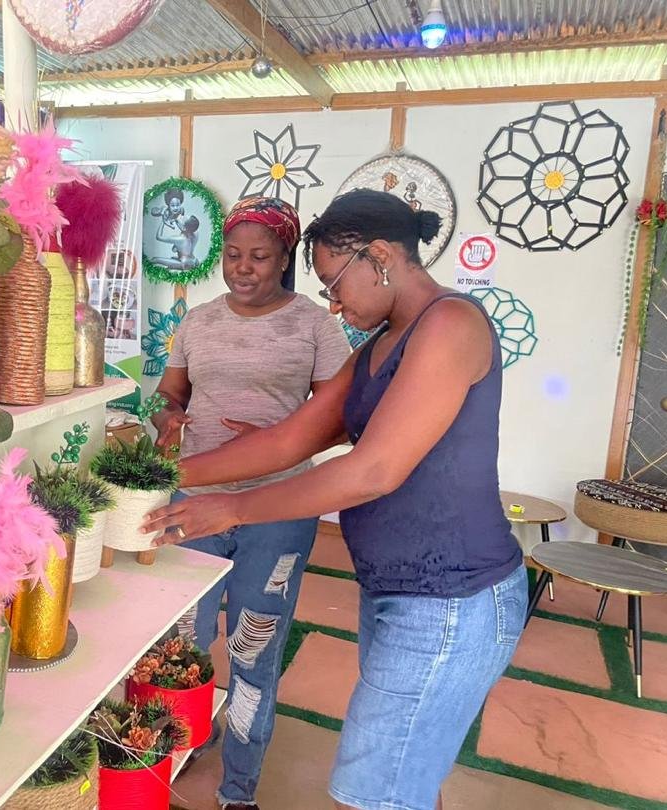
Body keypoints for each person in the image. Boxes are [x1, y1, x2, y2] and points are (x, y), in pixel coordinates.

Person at [143, 188, 527, 810]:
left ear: (378, 256)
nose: (334, 302)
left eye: (334, 282)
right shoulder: (380, 345)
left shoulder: (451, 324)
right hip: (397, 589)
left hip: (453, 597)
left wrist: (237, 507)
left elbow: (373, 469)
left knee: (376, 790)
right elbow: (292, 438)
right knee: (390, 787)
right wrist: (167, 475)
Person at [151, 195, 350, 810]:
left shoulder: (315, 324)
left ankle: (239, 790)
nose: (243, 267)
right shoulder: (200, 320)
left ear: (284, 257)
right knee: (180, 642)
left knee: (253, 651)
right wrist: (168, 419)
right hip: (196, 505)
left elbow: (338, 421)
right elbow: (171, 392)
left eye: (260, 256)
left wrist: (272, 442)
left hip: (278, 510)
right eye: (233, 255)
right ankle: (178, 743)